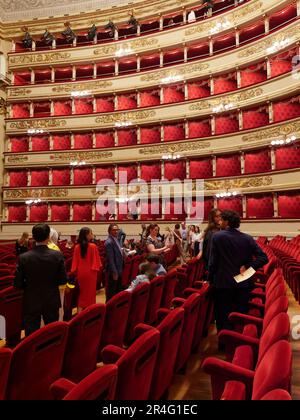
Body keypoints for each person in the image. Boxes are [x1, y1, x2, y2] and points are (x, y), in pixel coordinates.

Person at [208, 210, 269, 333]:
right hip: (243, 283)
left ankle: (224, 343)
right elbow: (263, 258)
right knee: (240, 313)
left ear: (227, 222)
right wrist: (248, 266)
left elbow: (212, 262)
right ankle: (238, 338)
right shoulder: (247, 238)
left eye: (222, 220)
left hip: (223, 283)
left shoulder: (217, 237)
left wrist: (209, 279)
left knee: (223, 314)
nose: (220, 222)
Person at [14, 224, 67, 336]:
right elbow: (62, 280)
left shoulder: (24, 257)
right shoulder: (57, 255)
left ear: (33, 237)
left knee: (31, 335)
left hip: (31, 300)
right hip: (51, 299)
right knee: (51, 333)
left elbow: (17, 284)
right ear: (48, 236)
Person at [69, 227, 102, 313]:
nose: (92, 235)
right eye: (91, 233)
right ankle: (90, 314)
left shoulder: (77, 247)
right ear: (86, 235)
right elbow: (97, 261)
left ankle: (80, 315)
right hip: (91, 273)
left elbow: (74, 263)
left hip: (81, 273)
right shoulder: (93, 246)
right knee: (90, 295)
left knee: (82, 295)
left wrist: (75, 272)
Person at [105, 224, 125, 302]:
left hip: (119, 268)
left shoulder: (116, 239)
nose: (116, 231)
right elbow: (111, 259)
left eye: (117, 229)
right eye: (114, 230)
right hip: (114, 271)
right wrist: (114, 272)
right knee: (111, 292)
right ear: (109, 231)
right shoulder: (109, 242)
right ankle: (108, 308)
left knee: (117, 290)